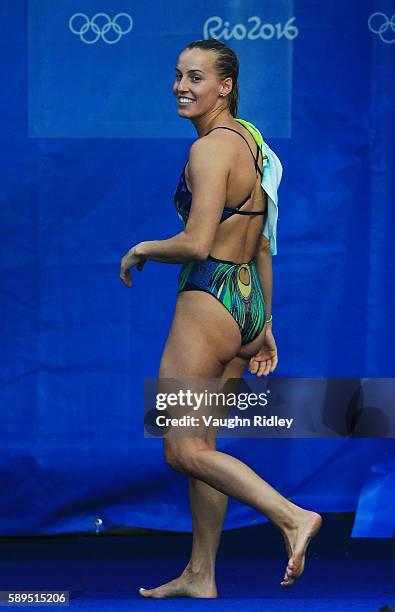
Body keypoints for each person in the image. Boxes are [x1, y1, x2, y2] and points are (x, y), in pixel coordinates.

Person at [120, 38, 322, 598]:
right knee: (203, 444)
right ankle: (201, 574)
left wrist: (142, 248)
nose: (181, 86)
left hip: (208, 298)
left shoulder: (210, 150)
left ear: (224, 86)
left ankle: (291, 517)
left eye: (196, 78)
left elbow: (195, 242)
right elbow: (261, 242)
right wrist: (264, 323)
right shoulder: (252, 140)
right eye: (179, 75)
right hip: (244, 301)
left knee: (183, 449)